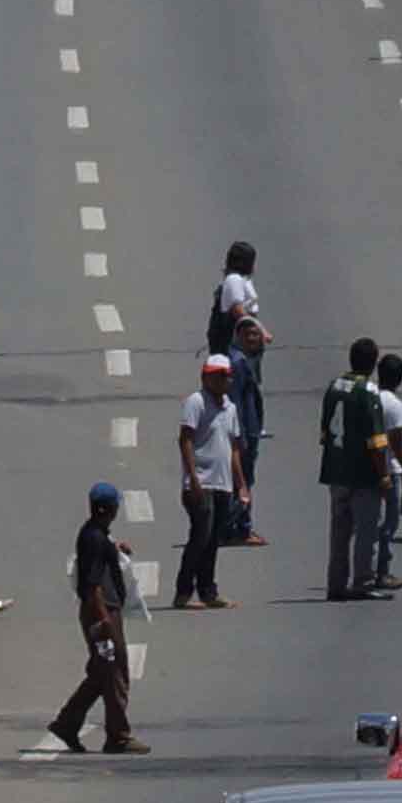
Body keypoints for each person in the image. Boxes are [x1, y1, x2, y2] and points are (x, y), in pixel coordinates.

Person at [48, 483, 146, 756]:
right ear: (110, 509)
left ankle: (67, 724)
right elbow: (92, 585)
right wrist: (104, 621)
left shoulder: (97, 534)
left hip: (103, 612)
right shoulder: (93, 538)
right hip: (101, 615)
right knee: (114, 673)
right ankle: (118, 736)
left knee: (101, 672)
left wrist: (115, 548)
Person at [319, 337, 390, 602]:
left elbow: (324, 433)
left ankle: (336, 583)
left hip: (336, 471)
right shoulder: (368, 391)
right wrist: (383, 474)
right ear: (373, 363)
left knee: (339, 532)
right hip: (363, 474)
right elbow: (376, 441)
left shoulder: (334, 386)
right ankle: (363, 582)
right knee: (366, 531)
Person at [173, 355, 240, 611]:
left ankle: (208, 591)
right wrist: (192, 478)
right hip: (201, 482)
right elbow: (185, 439)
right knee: (200, 536)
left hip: (223, 483)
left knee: (213, 540)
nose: (223, 380)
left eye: (226, 376)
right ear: (205, 377)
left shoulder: (230, 408)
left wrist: (241, 483)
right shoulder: (196, 402)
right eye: (217, 376)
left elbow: (234, 447)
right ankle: (183, 592)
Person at [370, 353, 402, 593]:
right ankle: (382, 570)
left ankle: (370, 567)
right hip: (390, 469)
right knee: (390, 522)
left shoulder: (372, 397)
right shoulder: (394, 404)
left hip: (370, 468)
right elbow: (397, 443)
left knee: (373, 519)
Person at [228, 314, 272, 545]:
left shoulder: (246, 359)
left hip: (250, 430)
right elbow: (235, 402)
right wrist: (241, 436)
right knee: (243, 481)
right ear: (238, 337)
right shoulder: (238, 363)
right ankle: (241, 529)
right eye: (248, 335)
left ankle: (236, 527)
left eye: (256, 335)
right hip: (244, 432)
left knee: (242, 480)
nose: (254, 339)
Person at [204, 240, 260, 357]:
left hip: (244, 344)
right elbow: (237, 309)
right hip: (234, 345)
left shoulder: (243, 280)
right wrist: (262, 331)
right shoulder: (234, 279)